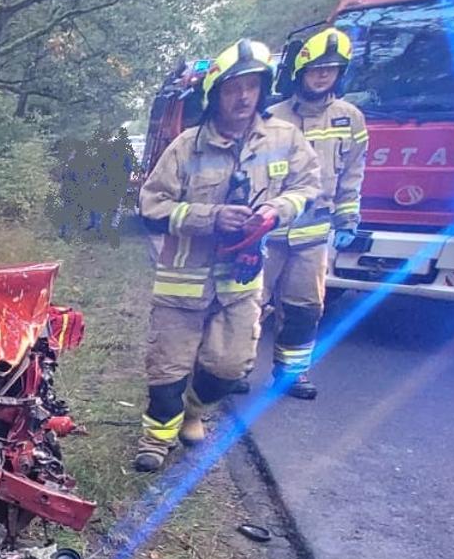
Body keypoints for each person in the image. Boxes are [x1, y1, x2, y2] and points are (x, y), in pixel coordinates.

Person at [132, 39, 321, 473]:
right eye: (234, 87)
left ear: (263, 89)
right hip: (184, 278)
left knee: (229, 366)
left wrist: (276, 211)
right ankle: (155, 441)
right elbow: (151, 206)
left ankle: (194, 412)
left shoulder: (284, 138)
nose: (243, 96)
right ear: (215, 93)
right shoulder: (186, 147)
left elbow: (308, 186)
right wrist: (210, 217)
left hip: (241, 277)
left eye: (252, 86)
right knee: (168, 366)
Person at [253, 27, 368, 400]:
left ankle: (291, 374)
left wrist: (348, 219)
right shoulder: (271, 115)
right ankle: (235, 369)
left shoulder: (349, 119)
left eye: (331, 69)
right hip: (267, 230)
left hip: (314, 233)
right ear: (299, 72)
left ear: (340, 73)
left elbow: (352, 172)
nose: (322, 75)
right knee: (248, 303)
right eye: (316, 68)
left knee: (304, 308)